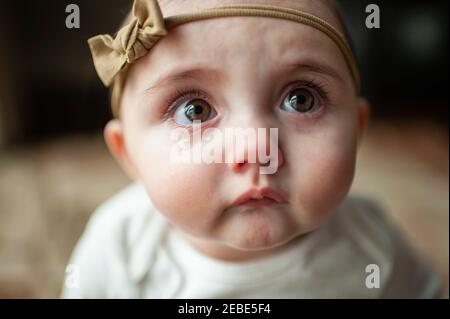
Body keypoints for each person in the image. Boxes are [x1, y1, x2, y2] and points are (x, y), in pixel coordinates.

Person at [61, 0, 442, 298]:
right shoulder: (118, 248)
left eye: (301, 99)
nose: (257, 149)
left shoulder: (372, 248)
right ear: (128, 154)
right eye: (195, 111)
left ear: (356, 132)